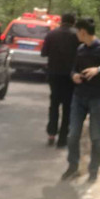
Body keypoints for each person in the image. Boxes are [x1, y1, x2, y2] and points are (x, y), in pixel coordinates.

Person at [61, 17, 100, 183]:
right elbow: (74, 69)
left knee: (95, 136)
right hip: (79, 96)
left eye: (77, 31)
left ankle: (93, 170)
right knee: (72, 135)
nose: (76, 34)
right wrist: (74, 75)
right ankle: (73, 166)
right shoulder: (80, 49)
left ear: (83, 32)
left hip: (97, 98)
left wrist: (98, 70)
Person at [41, 13, 79, 148]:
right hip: (71, 76)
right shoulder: (77, 36)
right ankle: (63, 138)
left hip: (54, 74)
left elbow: (44, 53)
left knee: (54, 103)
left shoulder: (51, 34)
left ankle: (51, 133)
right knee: (68, 106)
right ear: (74, 22)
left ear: (62, 21)